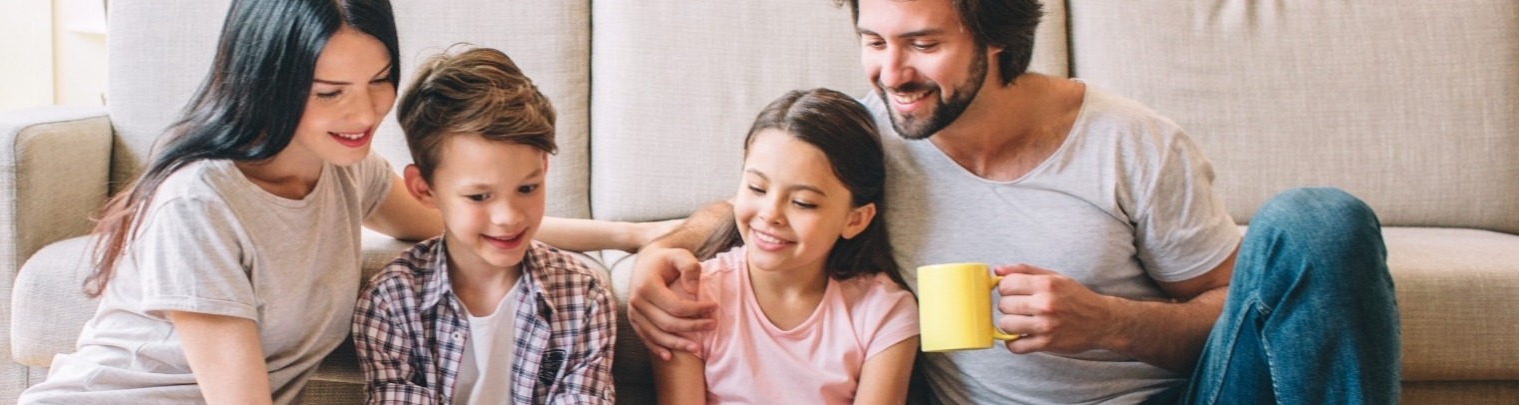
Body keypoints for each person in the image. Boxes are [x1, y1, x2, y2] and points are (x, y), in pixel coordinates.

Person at [624, 0, 1399, 404]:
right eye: (874, 41)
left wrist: (1109, 322)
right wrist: (673, 247)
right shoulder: (884, 136)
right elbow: (772, 198)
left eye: (923, 44)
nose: (891, 73)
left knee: (1318, 222)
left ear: (995, 36)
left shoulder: (1131, 146)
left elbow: (1239, 311)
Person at [17, 2, 648, 404]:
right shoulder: (198, 206)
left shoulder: (347, 169)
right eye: (330, 92)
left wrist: (630, 237)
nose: (365, 112)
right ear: (268, 82)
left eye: (379, 81)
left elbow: (472, 220)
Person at [352, 46, 617, 404]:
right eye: (479, 196)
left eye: (527, 188)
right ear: (423, 189)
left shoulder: (583, 297)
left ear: (544, 169)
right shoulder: (391, 303)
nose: (509, 216)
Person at [651, 88, 919, 405]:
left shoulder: (884, 313)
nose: (770, 214)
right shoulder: (690, 299)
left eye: (803, 203)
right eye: (756, 188)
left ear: (855, 220)